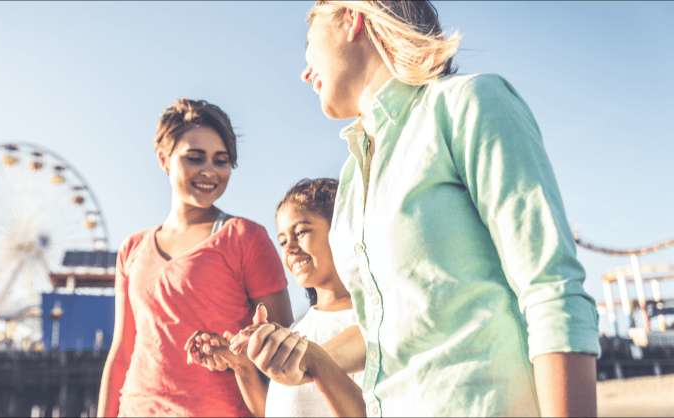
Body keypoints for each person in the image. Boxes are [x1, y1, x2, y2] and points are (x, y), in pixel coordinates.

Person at [242, 1, 600, 417]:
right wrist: (305, 354)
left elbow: (550, 290)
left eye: (308, 42)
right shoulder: (353, 176)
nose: (304, 72)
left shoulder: (468, 103)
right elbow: (393, 325)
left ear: (351, 18)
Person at [96, 98, 293, 417]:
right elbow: (122, 352)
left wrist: (234, 352)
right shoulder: (132, 249)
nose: (209, 172)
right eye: (195, 158)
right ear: (164, 159)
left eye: (221, 160)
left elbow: (281, 347)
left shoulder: (245, 238)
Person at [186, 178, 365, 417]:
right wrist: (241, 365)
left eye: (300, 232)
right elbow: (271, 411)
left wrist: (317, 362)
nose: (289, 247)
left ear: (341, 230)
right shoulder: (297, 329)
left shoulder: (367, 322)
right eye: (282, 240)